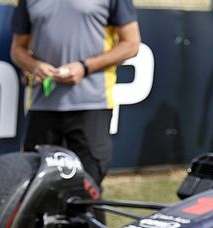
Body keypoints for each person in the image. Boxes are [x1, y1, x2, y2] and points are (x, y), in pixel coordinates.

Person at [10, 0, 141, 187]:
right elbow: (17, 49)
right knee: (36, 191)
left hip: (92, 105)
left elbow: (131, 44)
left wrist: (84, 67)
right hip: (42, 106)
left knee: (87, 190)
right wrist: (35, 66)